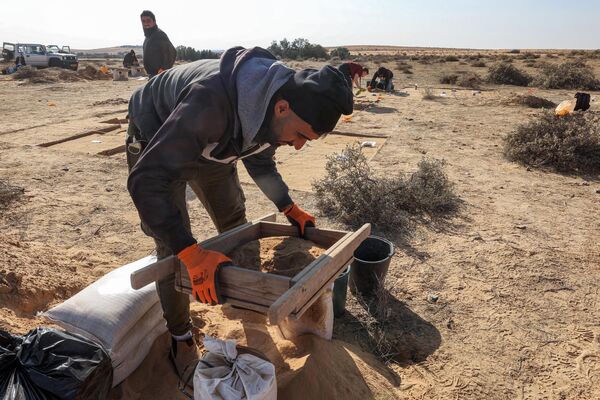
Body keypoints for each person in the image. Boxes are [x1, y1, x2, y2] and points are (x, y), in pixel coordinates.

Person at [126, 46, 353, 380]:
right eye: (302, 135)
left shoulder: (278, 104)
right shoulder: (209, 103)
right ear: (281, 108)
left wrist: (288, 206)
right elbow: (146, 182)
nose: (299, 145)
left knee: (235, 221)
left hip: (211, 143)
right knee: (173, 246)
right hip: (160, 132)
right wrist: (192, 254)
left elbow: (259, 156)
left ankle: (246, 309)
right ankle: (181, 339)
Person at [140, 10, 176, 77]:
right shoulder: (148, 37)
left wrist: (163, 68)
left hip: (161, 75)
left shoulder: (159, 34)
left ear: (154, 21)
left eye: (148, 20)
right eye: (143, 21)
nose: (146, 23)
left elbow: (172, 52)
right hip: (152, 75)